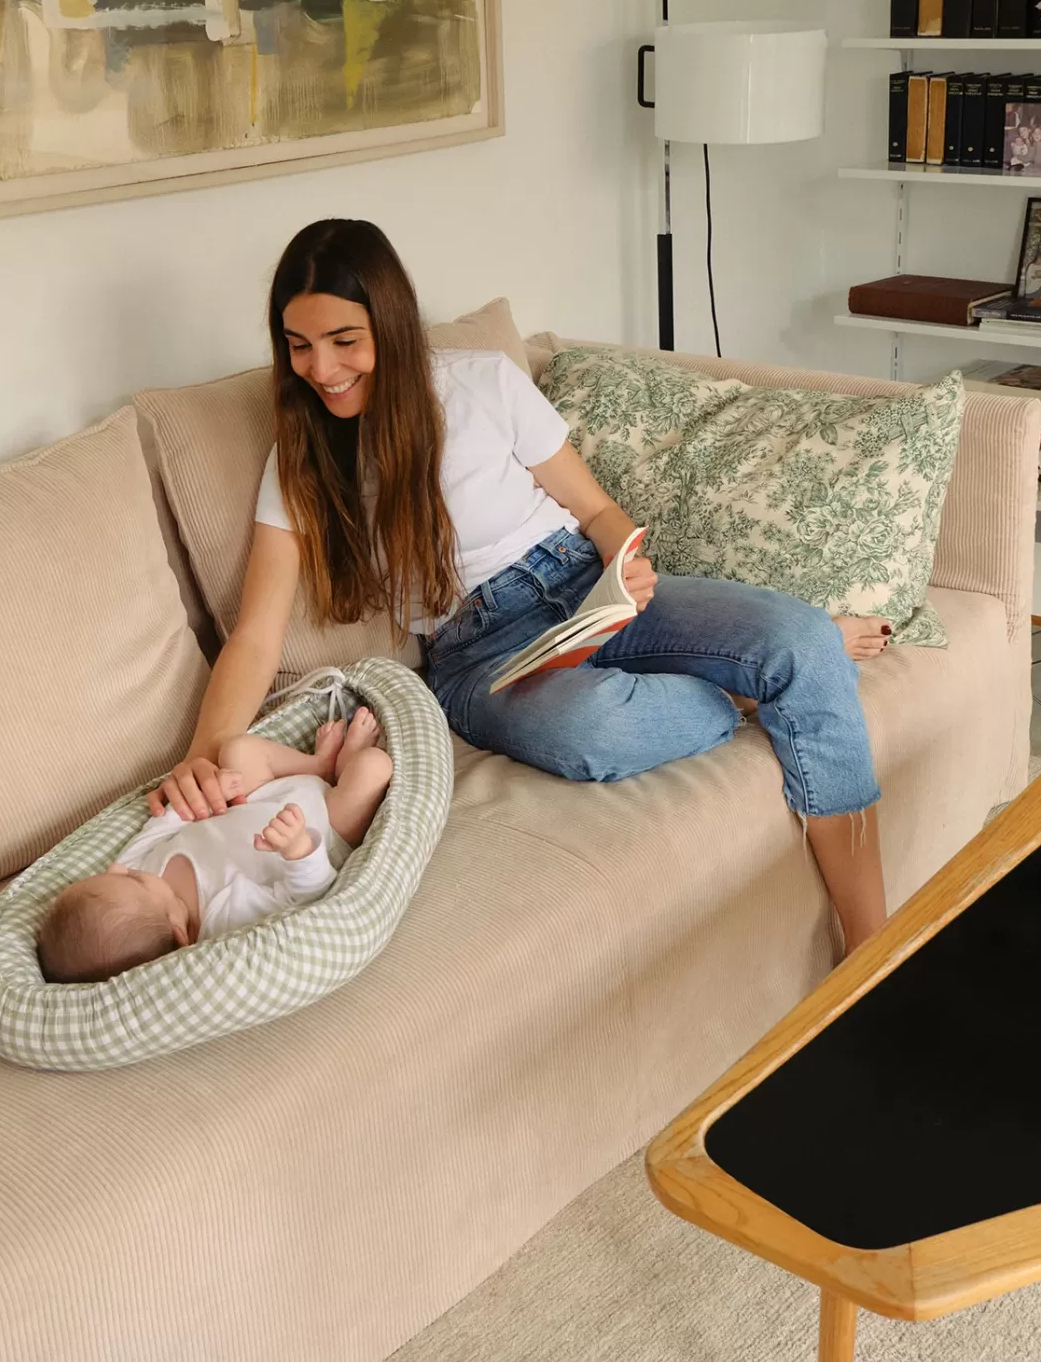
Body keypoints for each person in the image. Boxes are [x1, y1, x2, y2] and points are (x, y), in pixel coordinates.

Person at [151, 219, 891, 956]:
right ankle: (738, 693)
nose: (321, 368)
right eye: (299, 345)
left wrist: (626, 563)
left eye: (344, 340)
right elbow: (256, 634)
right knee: (591, 730)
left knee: (802, 640)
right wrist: (206, 755)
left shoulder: (480, 383)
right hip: (482, 658)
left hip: (587, 587)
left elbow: (596, 512)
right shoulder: (301, 461)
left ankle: (868, 943)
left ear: (391, 326)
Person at [40, 708, 391, 981]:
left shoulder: (134, 867)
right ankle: (348, 768)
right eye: (133, 880)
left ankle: (318, 766)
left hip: (259, 797)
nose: (118, 868)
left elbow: (164, 823)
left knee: (237, 751)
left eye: (112, 874)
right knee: (374, 767)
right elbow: (302, 899)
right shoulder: (225, 919)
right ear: (179, 931)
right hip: (323, 826)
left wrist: (212, 796)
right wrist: (298, 849)